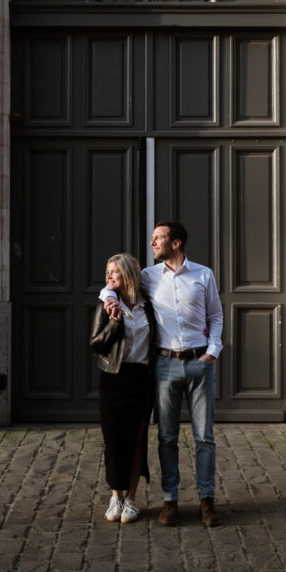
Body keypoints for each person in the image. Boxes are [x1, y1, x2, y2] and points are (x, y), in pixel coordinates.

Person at [102, 222, 223, 528]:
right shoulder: (147, 276)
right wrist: (108, 297)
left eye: (158, 238)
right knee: (167, 437)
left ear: (176, 243)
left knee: (204, 437)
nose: (152, 242)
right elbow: (115, 281)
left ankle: (207, 500)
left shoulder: (203, 275)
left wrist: (213, 350)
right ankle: (170, 501)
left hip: (199, 363)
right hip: (165, 365)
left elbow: (216, 315)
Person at [90, 252, 156, 524]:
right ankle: (115, 496)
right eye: (108, 271)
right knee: (114, 441)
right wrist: (114, 322)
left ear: (128, 274)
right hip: (114, 378)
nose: (109, 275)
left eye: (114, 271)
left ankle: (131, 499)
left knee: (137, 441)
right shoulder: (107, 303)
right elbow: (95, 344)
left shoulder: (147, 305)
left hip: (142, 379)